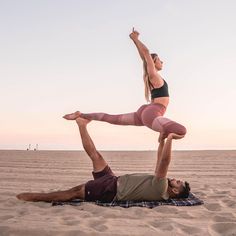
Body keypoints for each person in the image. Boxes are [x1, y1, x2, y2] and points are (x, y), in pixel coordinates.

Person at [16, 118, 190, 203]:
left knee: (75, 192)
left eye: (178, 182)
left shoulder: (161, 188)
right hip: (113, 180)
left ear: (174, 191)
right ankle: (82, 124)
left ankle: (33, 197)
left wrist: (171, 139)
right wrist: (161, 140)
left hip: (110, 190)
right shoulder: (159, 184)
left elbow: (165, 162)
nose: (176, 179)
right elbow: (160, 160)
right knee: (96, 156)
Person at [63, 28, 186, 140]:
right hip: (152, 112)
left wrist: (134, 40)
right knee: (181, 131)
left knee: (111, 118)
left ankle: (81, 114)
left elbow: (144, 58)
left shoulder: (151, 77)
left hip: (145, 111)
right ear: (153, 63)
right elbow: (146, 54)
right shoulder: (154, 76)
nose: (162, 61)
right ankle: (164, 131)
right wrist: (135, 39)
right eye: (159, 60)